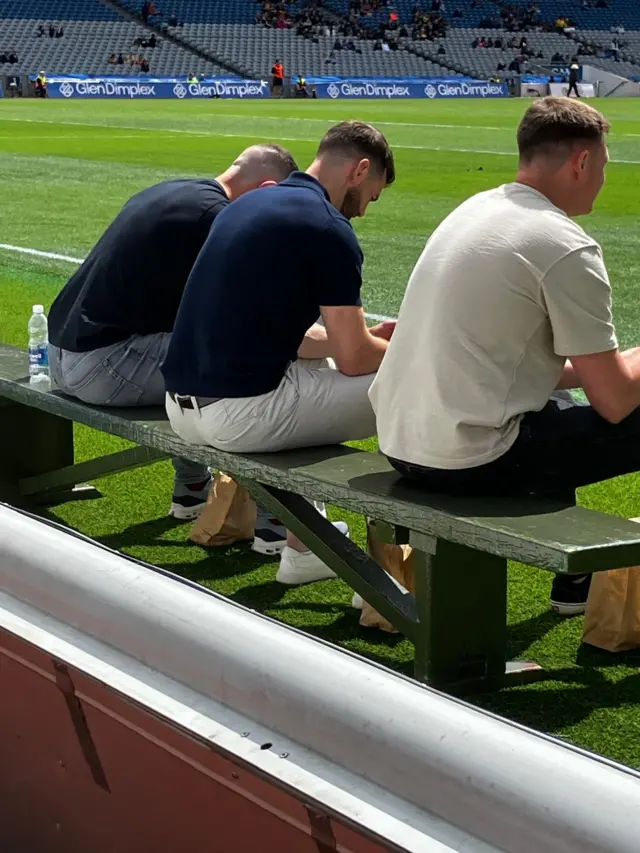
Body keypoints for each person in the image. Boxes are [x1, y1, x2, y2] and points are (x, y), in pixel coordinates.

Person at [369, 96, 636, 617]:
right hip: (471, 459)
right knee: (565, 422)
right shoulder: (564, 244)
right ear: (582, 162)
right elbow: (616, 402)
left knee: (552, 415)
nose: (603, 179)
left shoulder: (475, 209)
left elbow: (512, 368)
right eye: (603, 166)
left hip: (400, 442)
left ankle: (575, 586)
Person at [162, 121, 396, 584]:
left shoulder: (247, 205)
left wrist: (372, 340)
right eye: (371, 194)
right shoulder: (329, 228)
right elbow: (355, 358)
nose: (366, 209)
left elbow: (290, 337)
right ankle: (399, 553)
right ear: (360, 170)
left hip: (181, 406)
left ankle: (305, 546)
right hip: (238, 415)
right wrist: (406, 347)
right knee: (415, 387)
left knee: (325, 364)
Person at [48, 145, 297, 539]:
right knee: (258, 368)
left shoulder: (177, 191)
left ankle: (193, 488)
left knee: (199, 355)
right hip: (102, 364)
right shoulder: (218, 218)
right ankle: (279, 525)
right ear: (266, 188)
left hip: (62, 356)